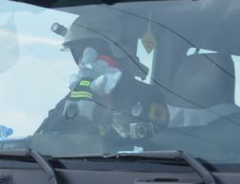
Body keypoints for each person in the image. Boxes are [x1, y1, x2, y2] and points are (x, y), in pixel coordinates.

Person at [35, 11, 167, 151]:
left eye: (86, 52)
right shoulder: (76, 95)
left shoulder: (146, 96)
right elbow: (44, 141)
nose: (83, 62)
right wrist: (76, 111)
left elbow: (153, 150)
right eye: (77, 53)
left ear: (114, 50)